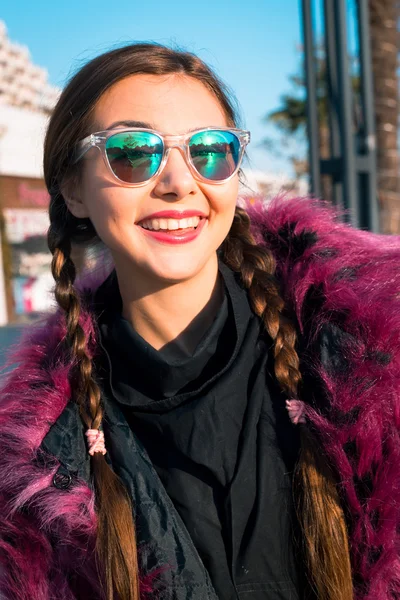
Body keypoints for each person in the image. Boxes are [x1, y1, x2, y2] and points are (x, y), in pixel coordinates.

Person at [0, 43, 399, 600]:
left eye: (210, 151)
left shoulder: (370, 357)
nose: (179, 182)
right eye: (134, 152)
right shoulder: (30, 468)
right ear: (72, 189)